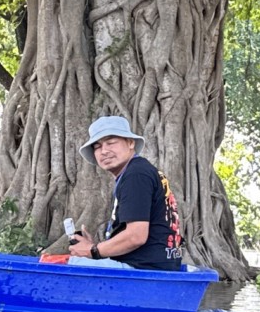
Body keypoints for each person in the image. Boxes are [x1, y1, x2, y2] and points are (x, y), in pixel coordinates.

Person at [68, 116, 183, 270]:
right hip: (156, 264)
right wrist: (95, 246)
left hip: (142, 269)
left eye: (111, 143)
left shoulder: (136, 174)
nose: (104, 151)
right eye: (97, 146)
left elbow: (136, 236)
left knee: (70, 264)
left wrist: (93, 251)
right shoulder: (139, 171)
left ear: (130, 143)